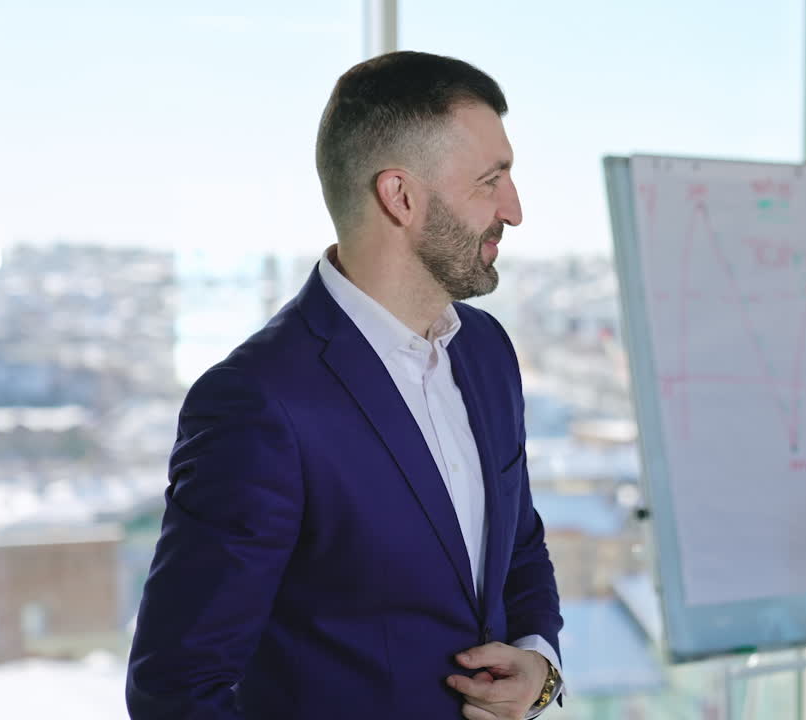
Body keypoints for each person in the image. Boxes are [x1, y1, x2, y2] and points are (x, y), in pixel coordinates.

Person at [125, 52, 564, 719]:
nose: (515, 209)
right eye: (490, 180)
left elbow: (520, 547)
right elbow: (178, 691)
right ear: (402, 197)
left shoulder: (488, 353)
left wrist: (540, 667)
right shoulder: (259, 402)